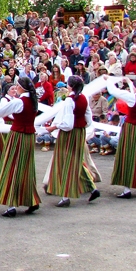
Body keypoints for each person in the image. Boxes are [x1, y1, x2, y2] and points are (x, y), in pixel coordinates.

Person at [44, 75, 100, 207]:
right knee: (76, 161)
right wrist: (81, 126)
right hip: (80, 132)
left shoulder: (70, 100)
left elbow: (68, 124)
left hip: (69, 134)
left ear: (70, 86)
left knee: (66, 162)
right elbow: (88, 119)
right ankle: (92, 188)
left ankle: (65, 196)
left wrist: (55, 126)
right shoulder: (83, 98)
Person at [0, 76, 40, 217]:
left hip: (18, 135)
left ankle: (12, 205)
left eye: (17, 86)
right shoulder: (32, 100)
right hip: (29, 136)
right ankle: (32, 200)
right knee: (26, 167)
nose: (16, 88)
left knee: (12, 166)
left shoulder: (19, 101)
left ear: (21, 88)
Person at [107, 77, 136, 197]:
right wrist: (128, 81)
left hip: (132, 127)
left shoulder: (133, 97)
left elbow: (114, 92)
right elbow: (134, 93)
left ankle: (127, 189)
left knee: (128, 155)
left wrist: (108, 80)